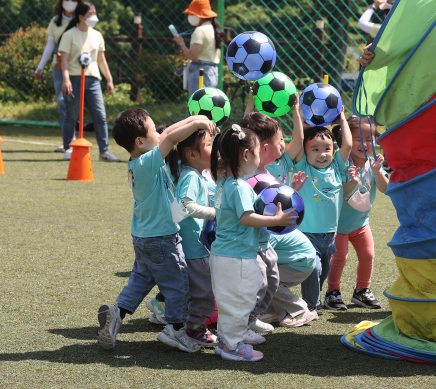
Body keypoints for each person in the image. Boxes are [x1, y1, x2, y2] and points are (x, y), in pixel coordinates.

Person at [97, 111, 217, 352]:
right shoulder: (147, 163)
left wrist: (193, 119)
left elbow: (168, 133)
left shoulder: (137, 163)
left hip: (142, 236)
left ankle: (117, 313)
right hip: (162, 238)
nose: (160, 134)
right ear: (140, 142)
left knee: (141, 280)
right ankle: (174, 330)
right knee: (178, 284)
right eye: (154, 131)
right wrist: (198, 121)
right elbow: (171, 138)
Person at [209, 125, 298, 362]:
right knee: (239, 302)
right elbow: (246, 218)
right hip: (236, 257)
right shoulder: (238, 186)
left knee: (234, 302)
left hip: (225, 255)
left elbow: (251, 207)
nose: (259, 159)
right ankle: (232, 347)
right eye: (257, 153)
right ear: (246, 155)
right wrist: (276, 219)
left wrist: (289, 192)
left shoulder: (225, 182)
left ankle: (227, 342)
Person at [240, 103, 316, 329]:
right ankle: (273, 311)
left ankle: (299, 310)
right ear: (263, 148)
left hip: (298, 260)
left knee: (259, 279)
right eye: (280, 140)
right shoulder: (255, 175)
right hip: (290, 254)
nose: (283, 145)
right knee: (260, 276)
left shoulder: (257, 177)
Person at [148, 129, 220, 347]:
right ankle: (192, 328)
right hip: (192, 249)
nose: (213, 149)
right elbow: (186, 205)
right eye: (208, 145)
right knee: (205, 292)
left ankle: (175, 324)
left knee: (192, 291)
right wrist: (216, 213)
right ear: (191, 154)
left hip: (191, 247)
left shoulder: (194, 173)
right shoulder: (190, 176)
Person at [325, 116, 389, 310]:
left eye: (370, 138)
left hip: (361, 223)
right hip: (338, 225)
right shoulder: (341, 163)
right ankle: (332, 292)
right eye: (358, 138)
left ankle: (362, 290)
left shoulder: (373, 163)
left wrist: (378, 172)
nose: (365, 143)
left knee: (368, 255)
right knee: (340, 257)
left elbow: (385, 188)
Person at [291, 110, 352, 311]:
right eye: (315, 149)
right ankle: (311, 306)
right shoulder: (304, 168)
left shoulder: (336, 167)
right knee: (314, 268)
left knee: (324, 270)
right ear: (305, 152)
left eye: (327, 148)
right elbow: (298, 141)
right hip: (307, 233)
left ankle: (314, 298)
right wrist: (298, 117)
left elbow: (348, 145)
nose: (322, 154)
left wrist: (342, 119)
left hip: (330, 234)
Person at [58, 1, 120, 162]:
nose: (94, 17)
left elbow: (101, 59)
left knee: (100, 116)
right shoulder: (69, 34)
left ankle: (104, 152)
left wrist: (109, 79)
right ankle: (68, 148)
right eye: (90, 14)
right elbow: (64, 60)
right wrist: (66, 79)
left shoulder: (97, 35)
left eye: (94, 13)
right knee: (71, 116)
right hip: (74, 79)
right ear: (80, 17)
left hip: (92, 80)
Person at [35, 0, 84, 153]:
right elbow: (50, 45)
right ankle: (68, 142)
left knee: (74, 103)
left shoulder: (81, 20)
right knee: (62, 102)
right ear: (61, 0)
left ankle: (76, 140)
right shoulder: (55, 20)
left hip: (78, 68)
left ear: (79, 2)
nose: (70, 1)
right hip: (59, 66)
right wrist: (40, 66)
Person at [259, 230, 317, 327]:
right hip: (297, 260)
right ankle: (274, 311)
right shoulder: (266, 229)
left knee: (267, 280)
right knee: (262, 278)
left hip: (300, 262)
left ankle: (300, 310)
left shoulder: (269, 233)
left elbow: (258, 258)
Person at [172, 0, 225, 96]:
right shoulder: (213, 29)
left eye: (192, 14)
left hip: (200, 72)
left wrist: (181, 43)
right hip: (212, 71)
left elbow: (193, 56)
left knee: (196, 107)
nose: (190, 16)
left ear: (199, 16)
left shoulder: (199, 31)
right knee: (207, 106)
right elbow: (217, 55)